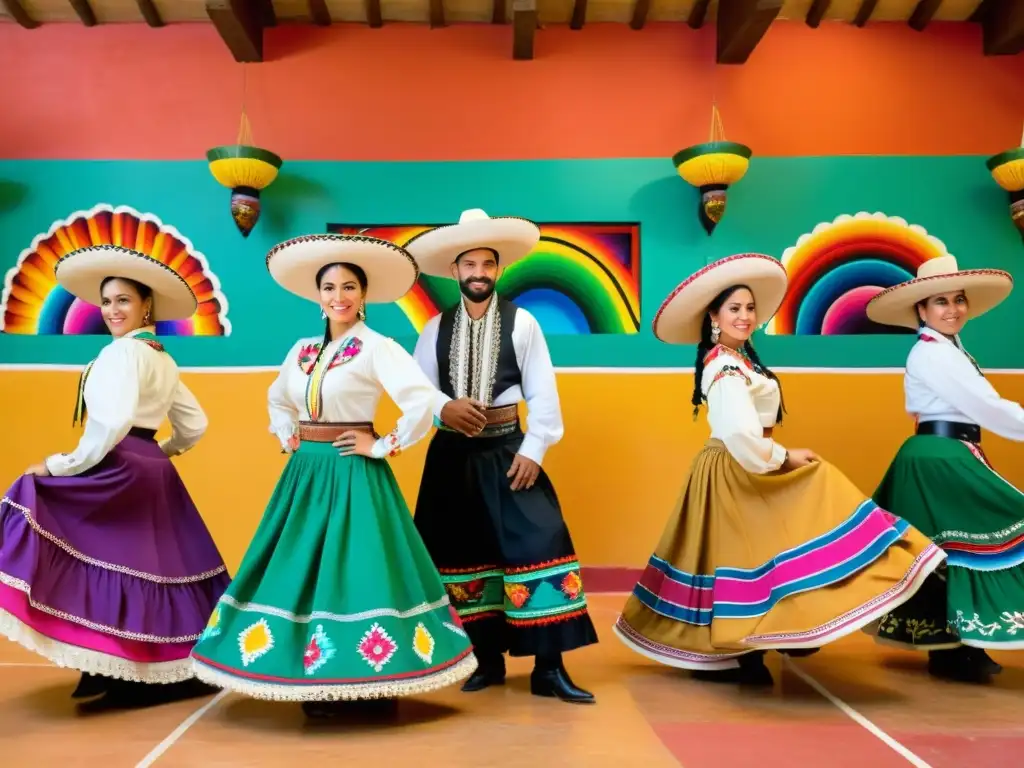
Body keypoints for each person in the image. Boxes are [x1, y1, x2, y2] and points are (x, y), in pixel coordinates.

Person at [614, 253, 946, 685]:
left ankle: (763, 640)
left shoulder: (740, 360)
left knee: (754, 556)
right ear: (713, 316)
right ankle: (738, 650)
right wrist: (783, 458)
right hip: (737, 468)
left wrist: (776, 457)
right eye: (734, 308)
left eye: (750, 309)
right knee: (745, 552)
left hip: (746, 464)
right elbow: (740, 434)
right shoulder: (724, 365)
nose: (745, 316)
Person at [189, 233, 477, 716]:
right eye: (329, 287)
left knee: (359, 570)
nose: (338, 296)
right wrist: (287, 430)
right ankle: (311, 678)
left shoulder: (377, 347)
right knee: (301, 568)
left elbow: (421, 401)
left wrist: (381, 445)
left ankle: (370, 683)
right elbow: (279, 397)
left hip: (353, 473)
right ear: (317, 295)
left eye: (348, 287)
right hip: (306, 474)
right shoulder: (301, 349)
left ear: (363, 295)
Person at [0, 244, 228, 709]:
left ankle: (110, 664)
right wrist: (157, 455)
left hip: (118, 463)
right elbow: (194, 424)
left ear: (146, 305)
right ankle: (130, 667)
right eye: (106, 301)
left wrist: (60, 464)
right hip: (148, 469)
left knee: (46, 511)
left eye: (123, 300)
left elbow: (113, 421)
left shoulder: (123, 354)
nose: (111, 310)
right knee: (144, 566)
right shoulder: (161, 356)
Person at [405, 209, 597, 704]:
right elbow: (416, 391)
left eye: (487, 264)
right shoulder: (433, 329)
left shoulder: (523, 322)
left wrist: (535, 447)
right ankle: (485, 661)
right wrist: (443, 407)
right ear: (455, 271)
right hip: (451, 456)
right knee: (463, 554)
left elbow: (544, 390)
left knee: (540, 543)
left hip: (510, 449)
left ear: (499, 269)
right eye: (469, 264)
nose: (478, 273)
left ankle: (548, 669)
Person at [865, 255, 1023, 683]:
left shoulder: (949, 349)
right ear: (922, 309)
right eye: (940, 302)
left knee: (951, 553)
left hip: (946, 453)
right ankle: (956, 650)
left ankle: (961, 647)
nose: (952, 309)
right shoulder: (932, 354)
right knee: (968, 545)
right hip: (939, 457)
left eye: (958, 300)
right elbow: (986, 407)